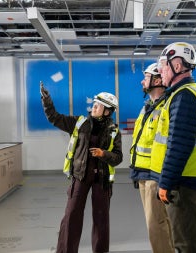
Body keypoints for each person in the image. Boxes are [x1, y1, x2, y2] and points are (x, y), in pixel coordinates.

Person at [40, 83, 123, 253]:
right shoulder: (79, 123)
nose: (94, 106)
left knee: (101, 220)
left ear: (107, 111)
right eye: (94, 103)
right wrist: (47, 100)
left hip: (102, 179)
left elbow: (118, 158)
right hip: (80, 175)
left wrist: (103, 154)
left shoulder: (114, 131)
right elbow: (54, 117)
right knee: (71, 216)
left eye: (98, 105)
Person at [152, 42, 196, 253]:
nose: (160, 70)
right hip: (185, 180)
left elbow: (179, 146)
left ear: (177, 66)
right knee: (190, 238)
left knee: (186, 243)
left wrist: (165, 183)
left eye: (163, 65)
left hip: (183, 184)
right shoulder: (182, 94)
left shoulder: (184, 97)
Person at [129, 63, 175, 252]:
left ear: (156, 80)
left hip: (154, 175)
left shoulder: (165, 107)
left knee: (155, 225)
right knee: (158, 222)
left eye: (146, 77)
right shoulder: (148, 107)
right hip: (143, 172)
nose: (142, 81)